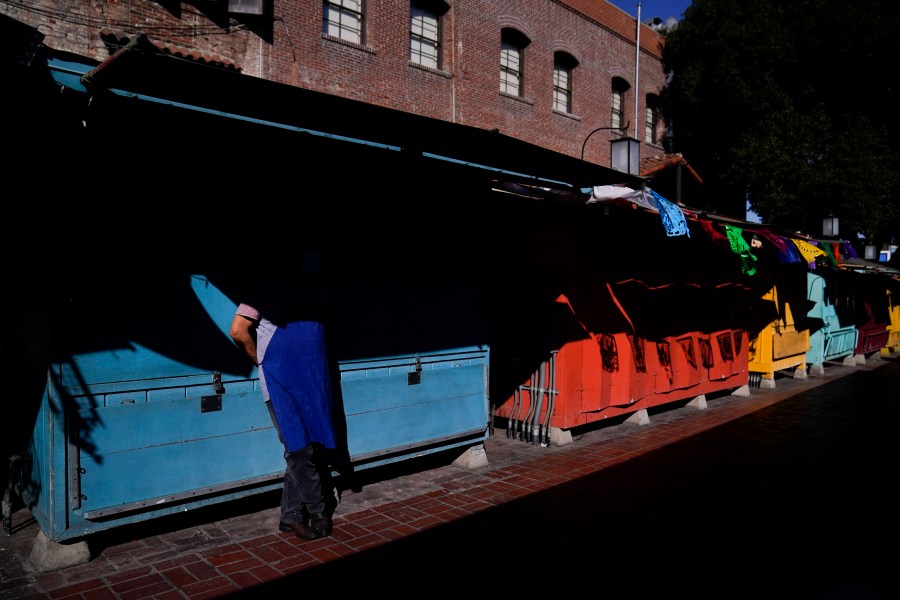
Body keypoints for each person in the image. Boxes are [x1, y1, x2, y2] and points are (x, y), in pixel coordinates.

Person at [228, 258, 337, 541]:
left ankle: (289, 517)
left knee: (307, 447)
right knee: (299, 448)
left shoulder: (317, 290)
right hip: (280, 383)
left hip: (312, 381)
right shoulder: (263, 288)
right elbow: (238, 330)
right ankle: (318, 511)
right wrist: (260, 361)